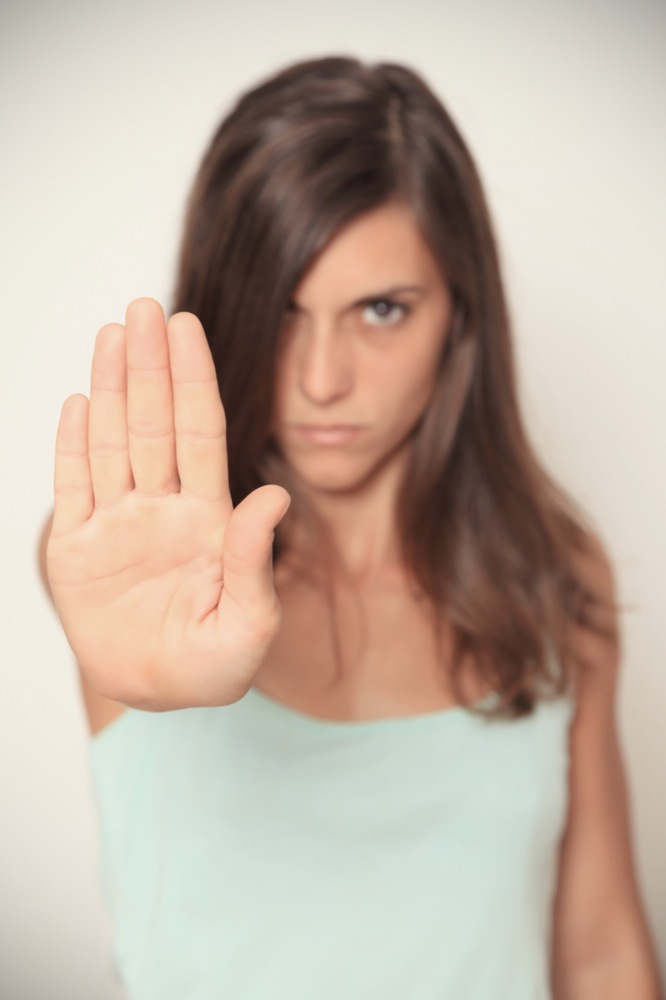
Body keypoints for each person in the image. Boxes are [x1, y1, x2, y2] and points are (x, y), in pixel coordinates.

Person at [39, 56, 660, 998]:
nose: (324, 377)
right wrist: (148, 688)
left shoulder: (551, 575)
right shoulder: (135, 560)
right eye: (283, 311)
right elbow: (118, 618)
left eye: (380, 310)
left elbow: (603, 951)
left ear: (461, 314)